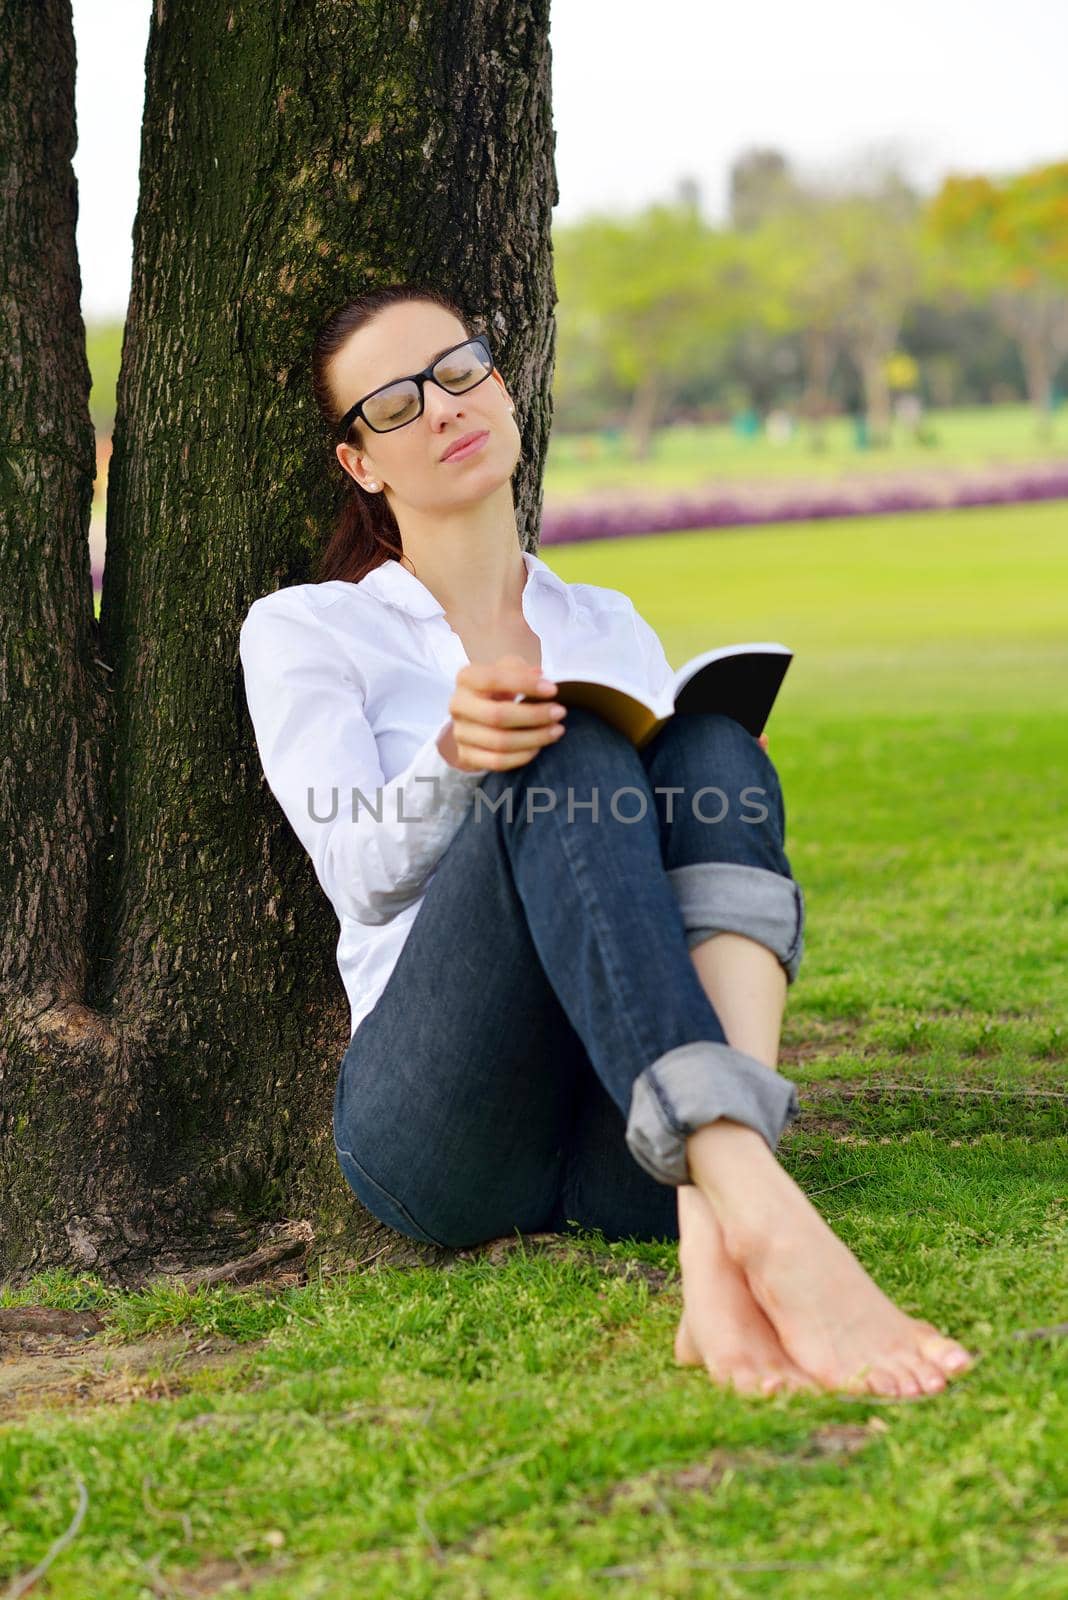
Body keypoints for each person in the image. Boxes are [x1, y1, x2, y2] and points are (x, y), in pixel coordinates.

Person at [238, 282, 975, 1401]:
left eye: (458, 369)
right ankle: (768, 1225)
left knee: (717, 749)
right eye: (393, 405)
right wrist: (458, 753)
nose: (441, 407)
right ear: (361, 463)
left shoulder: (608, 623)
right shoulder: (308, 628)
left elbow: (668, 873)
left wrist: (701, 785)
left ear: (499, 382)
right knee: (563, 744)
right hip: (443, 1126)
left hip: (626, 1134)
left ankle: (714, 1223)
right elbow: (358, 877)